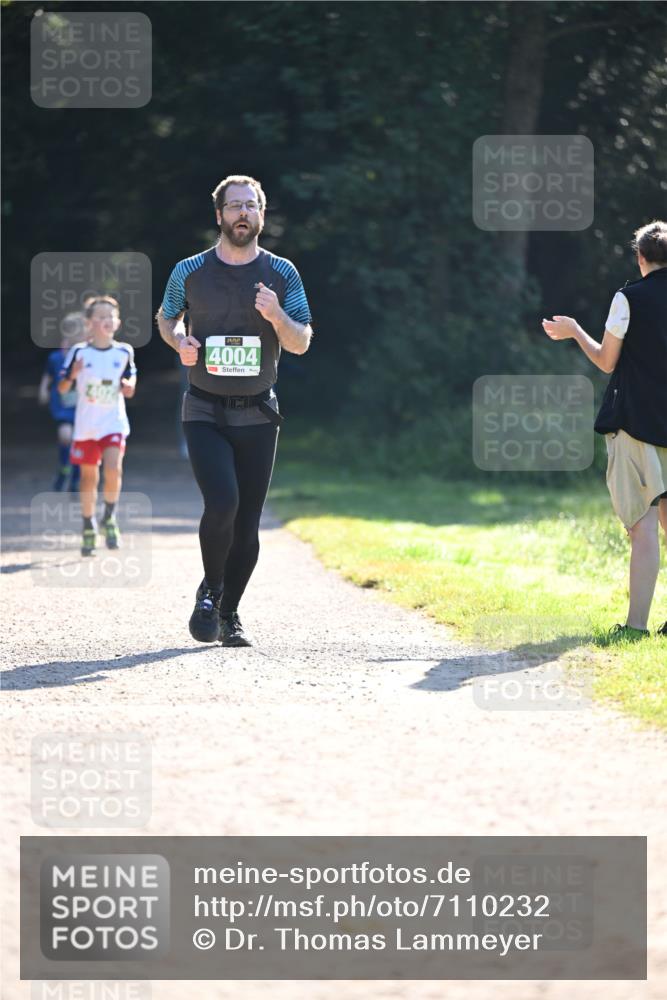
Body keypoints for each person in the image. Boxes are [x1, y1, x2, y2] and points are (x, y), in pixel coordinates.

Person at [156, 174, 313, 647]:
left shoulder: (282, 273)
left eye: (251, 205)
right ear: (219, 214)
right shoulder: (189, 270)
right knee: (222, 502)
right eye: (234, 205)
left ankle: (229, 612)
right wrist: (179, 341)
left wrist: (276, 315)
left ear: (261, 214)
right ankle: (210, 591)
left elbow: (301, 341)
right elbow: (166, 317)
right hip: (203, 408)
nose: (243, 213)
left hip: (259, 414)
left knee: (247, 526)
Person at [543, 220, 667, 640]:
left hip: (636, 424)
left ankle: (636, 627)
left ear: (640, 256)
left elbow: (606, 361)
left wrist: (574, 331)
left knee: (643, 527)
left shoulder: (628, 298)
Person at [58, 295, 137, 557]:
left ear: (118, 322)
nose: (106, 320)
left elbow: (130, 381)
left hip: (113, 423)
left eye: (110, 316)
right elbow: (62, 388)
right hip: (87, 426)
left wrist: (129, 388)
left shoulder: (124, 352)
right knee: (88, 478)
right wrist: (72, 375)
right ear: (89, 323)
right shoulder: (79, 352)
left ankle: (109, 517)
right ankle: (88, 523)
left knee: (113, 468)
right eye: (100, 316)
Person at [38, 311, 86, 492]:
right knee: (66, 436)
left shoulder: (86, 354)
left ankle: (75, 477)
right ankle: (64, 467)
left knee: (79, 441)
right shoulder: (56, 357)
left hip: (83, 406)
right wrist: (43, 389)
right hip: (62, 405)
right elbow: (48, 375)